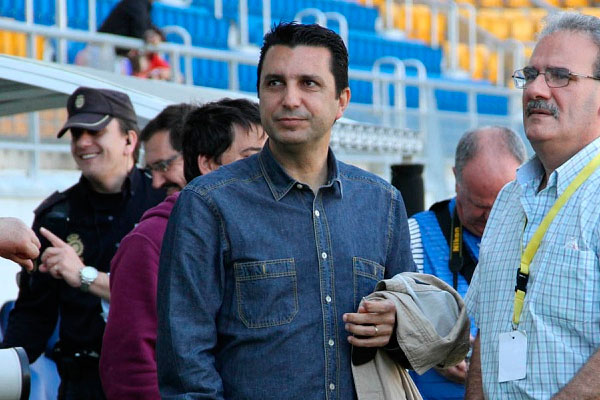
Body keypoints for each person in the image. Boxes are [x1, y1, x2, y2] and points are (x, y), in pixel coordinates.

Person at [156, 22, 416, 399]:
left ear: (342, 100)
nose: (289, 98)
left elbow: (410, 330)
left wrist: (397, 328)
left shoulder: (382, 203)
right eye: (275, 83)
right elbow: (186, 360)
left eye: (309, 83)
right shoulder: (208, 203)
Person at [465, 11, 600, 399]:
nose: (536, 90)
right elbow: (489, 333)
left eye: (560, 76)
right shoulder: (509, 199)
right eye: (530, 74)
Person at [1, 86, 165, 400]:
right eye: (76, 134)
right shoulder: (56, 217)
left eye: (95, 131)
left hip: (147, 382)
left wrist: (83, 275)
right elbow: (34, 314)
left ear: (130, 140)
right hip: (81, 384)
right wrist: (8, 365)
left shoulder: (161, 202)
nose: (83, 143)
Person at [99, 98, 266, 400]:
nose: (268, 170)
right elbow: (131, 367)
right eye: (252, 157)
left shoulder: (275, 229)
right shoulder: (149, 241)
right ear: (208, 164)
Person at [407, 126, 526, 400]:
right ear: (456, 182)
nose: (492, 217)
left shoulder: (540, 236)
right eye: (481, 207)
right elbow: (390, 323)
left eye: (503, 203)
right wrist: (433, 352)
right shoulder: (413, 235)